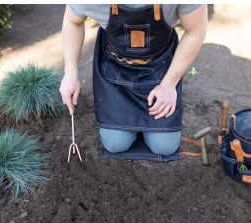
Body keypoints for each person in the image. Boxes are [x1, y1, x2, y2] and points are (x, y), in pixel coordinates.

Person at [60, 4, 208, 157]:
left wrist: (169, 84)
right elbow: (73, 21)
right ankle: (130, 126)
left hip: (160, 69)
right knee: (115, 144)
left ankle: (143, 126)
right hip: (115, 69)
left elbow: (196, 30)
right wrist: (70, 73)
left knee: (164, 147)